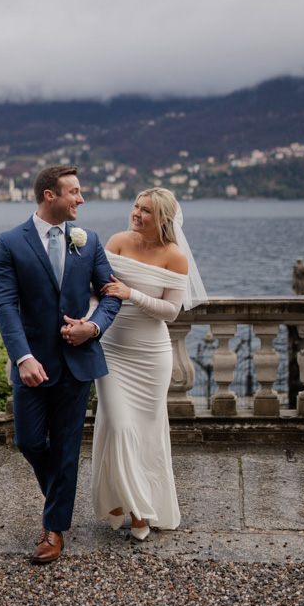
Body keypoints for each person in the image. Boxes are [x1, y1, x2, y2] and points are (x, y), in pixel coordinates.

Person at [0, 165, 121, 564]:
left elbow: (111, 294)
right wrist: (23, 356)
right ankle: (60, 500)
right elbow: (5, 306)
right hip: (33, 363)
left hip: (78, 362)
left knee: (66, 447)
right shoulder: (10, 243)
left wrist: (93, 328)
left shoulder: (90, 241)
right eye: (75, 192)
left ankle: (54, 529)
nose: (81, 199)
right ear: (50, 195)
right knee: (27, 441)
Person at [89, 187, 206, 540]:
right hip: (111, 347)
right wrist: (87, 322)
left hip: (151, 355)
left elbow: (171, 312)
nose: (136, 215)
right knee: (118, 425)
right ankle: (129, 504)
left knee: (145, 431)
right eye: (136, 207)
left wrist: (132, 294)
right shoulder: (118, 241)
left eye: (146, 211)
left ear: (164, 219)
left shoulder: (175, 256)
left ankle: (138, 508)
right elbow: (96, 290)